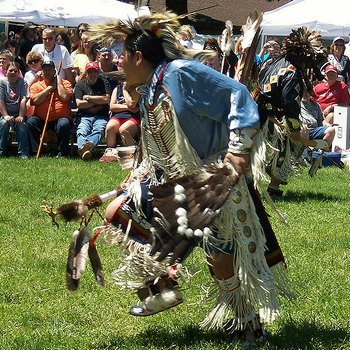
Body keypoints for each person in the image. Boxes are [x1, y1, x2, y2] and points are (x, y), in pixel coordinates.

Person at [90, 12, 289, 346]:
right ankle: (161, 289)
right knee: (122, 213)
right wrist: (139, 174)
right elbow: (157, 143)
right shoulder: (151, 89)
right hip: (177, 181)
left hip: (214, 177)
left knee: (221, 256)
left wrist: (239, 150)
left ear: (139, 57)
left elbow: (237, 93)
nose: (121, 64)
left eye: (123, 56)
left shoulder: (181, 74)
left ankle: (249, 325)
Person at [256, 28, 329, 197]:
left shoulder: (274, 62)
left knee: (283, 144)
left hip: (259, 111)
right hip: (270, 117)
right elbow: (290, 103)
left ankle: (270, 182)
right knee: (291, 144)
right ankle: (273, 184)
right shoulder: (292, 72)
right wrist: (294, 129)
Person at [27, 59, 72, 158]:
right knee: (31, 122)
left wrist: (58, 82)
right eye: (45, 70)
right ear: (41, 72)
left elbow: (64, 97)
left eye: (50, 69)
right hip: (42, 118)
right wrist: (49, 88)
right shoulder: (36, 86)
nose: (47, 72)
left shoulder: (65, 83)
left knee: (64, 124)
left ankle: (62, 152)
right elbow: (35, 101)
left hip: (60, 118)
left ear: (54, 71)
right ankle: (36, 151)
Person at [74, 61, 111, 160]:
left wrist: (88, 98)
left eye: (94, 72)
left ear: (98, 73)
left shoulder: (104, 82)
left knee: (98, 130)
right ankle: (86, 149)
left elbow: (106, 99)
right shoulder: (80, 85)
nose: (92, 74)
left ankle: (83, 149)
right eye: (90, 72)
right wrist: (98, 101)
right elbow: (79, 104)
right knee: (81, 131)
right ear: (86, 74)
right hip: (84, 116)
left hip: (101, 116)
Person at [98, 82, 140, 163]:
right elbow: (112, 107)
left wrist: (125, 91)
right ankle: (111, 152)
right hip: (118, 116)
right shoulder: (117, 89)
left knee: (124, 129)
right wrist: (127, 108)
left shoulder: (136, 88)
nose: (125, 81)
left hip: (133, 117)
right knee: (110, 127)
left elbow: (131, 104)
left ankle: (131, 154)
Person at [0, 62, 29, 158]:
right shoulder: (2, 82)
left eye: (15, 71)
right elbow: (1, 100)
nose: (13, 72)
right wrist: (5, 115)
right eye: (10, 70)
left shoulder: (23, 82)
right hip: (4, 114)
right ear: (5, 72)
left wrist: (21, 116)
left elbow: (23, 99)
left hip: (18, 113)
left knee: (22, 127)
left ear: (19, 72)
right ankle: (1, 151)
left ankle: (23, 153)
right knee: (3, 124)